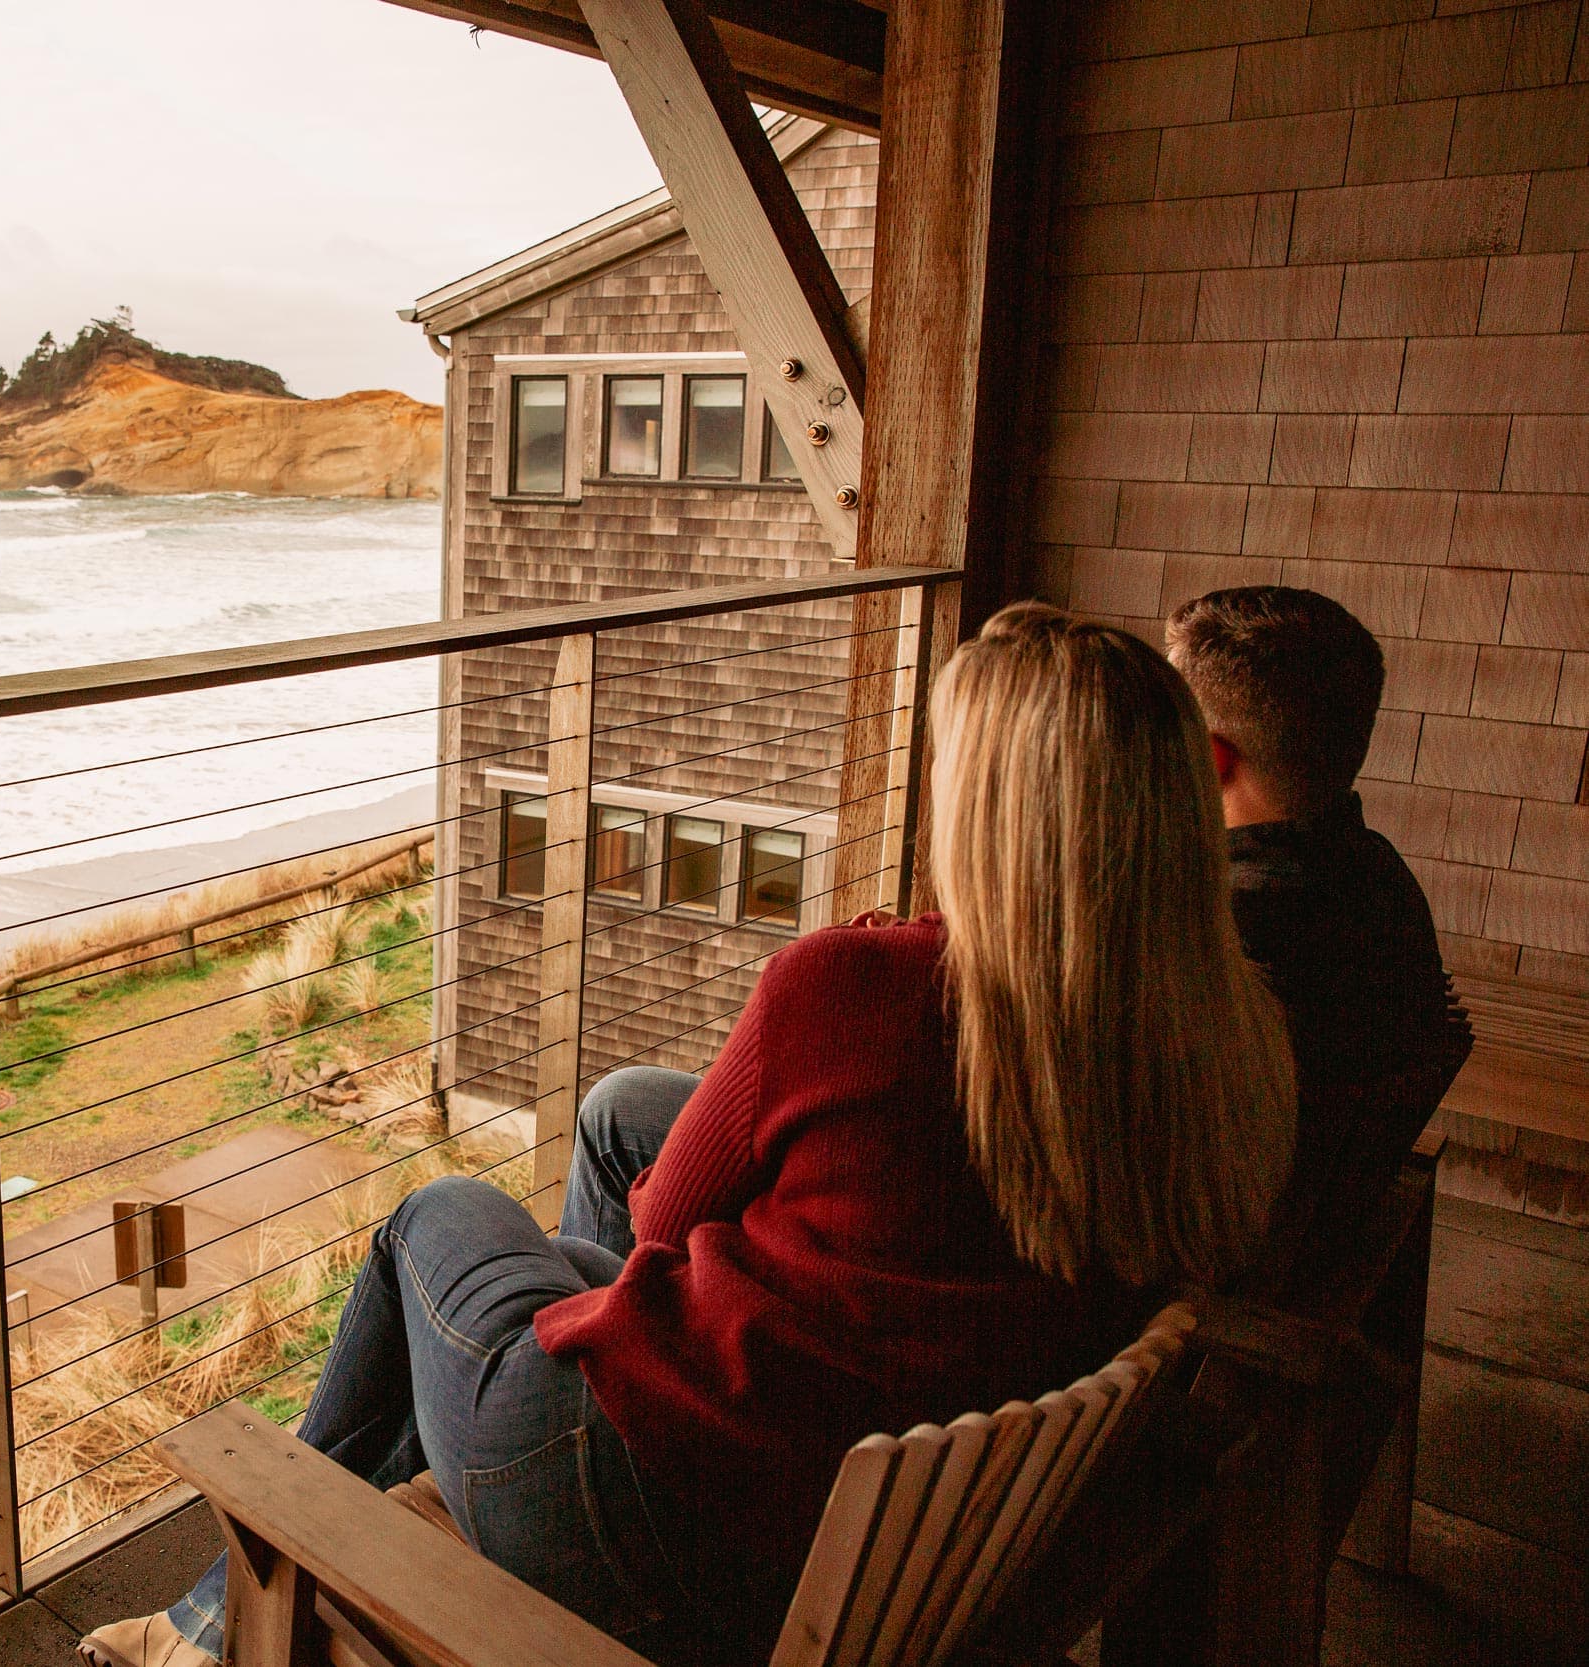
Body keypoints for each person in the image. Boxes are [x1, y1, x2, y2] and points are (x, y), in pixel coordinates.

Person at [79, 604, 1297, 1667]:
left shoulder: (857, 990)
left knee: (430, 1220)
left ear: (988, 814)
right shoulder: (1218, 1031)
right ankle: (327, 1550)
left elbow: (662, 1219)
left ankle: (220, 1615)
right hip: (853, 1537)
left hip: (639, 1521)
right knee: (587, 1175)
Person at [1162, 587, 1462, 1267]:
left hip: (1227, 1261)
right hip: (1321, 1212)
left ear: (1210, 756)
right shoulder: (1376, 871)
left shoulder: (1227, 931)